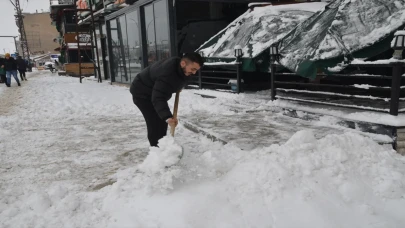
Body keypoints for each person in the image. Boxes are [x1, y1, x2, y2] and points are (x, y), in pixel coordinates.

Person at [130, 53, 204, 147]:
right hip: (142, 93)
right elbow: (158, 97)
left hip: (153, 92)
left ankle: (162, 146)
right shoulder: (168, 73)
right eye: (193, 69)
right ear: (183, 63)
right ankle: (156, 150)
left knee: (161, 121)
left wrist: (178, 86)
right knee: (155, 122)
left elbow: (179, 78)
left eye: (196, 70)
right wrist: (168, 117)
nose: (194, 73)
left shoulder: (180, 68)